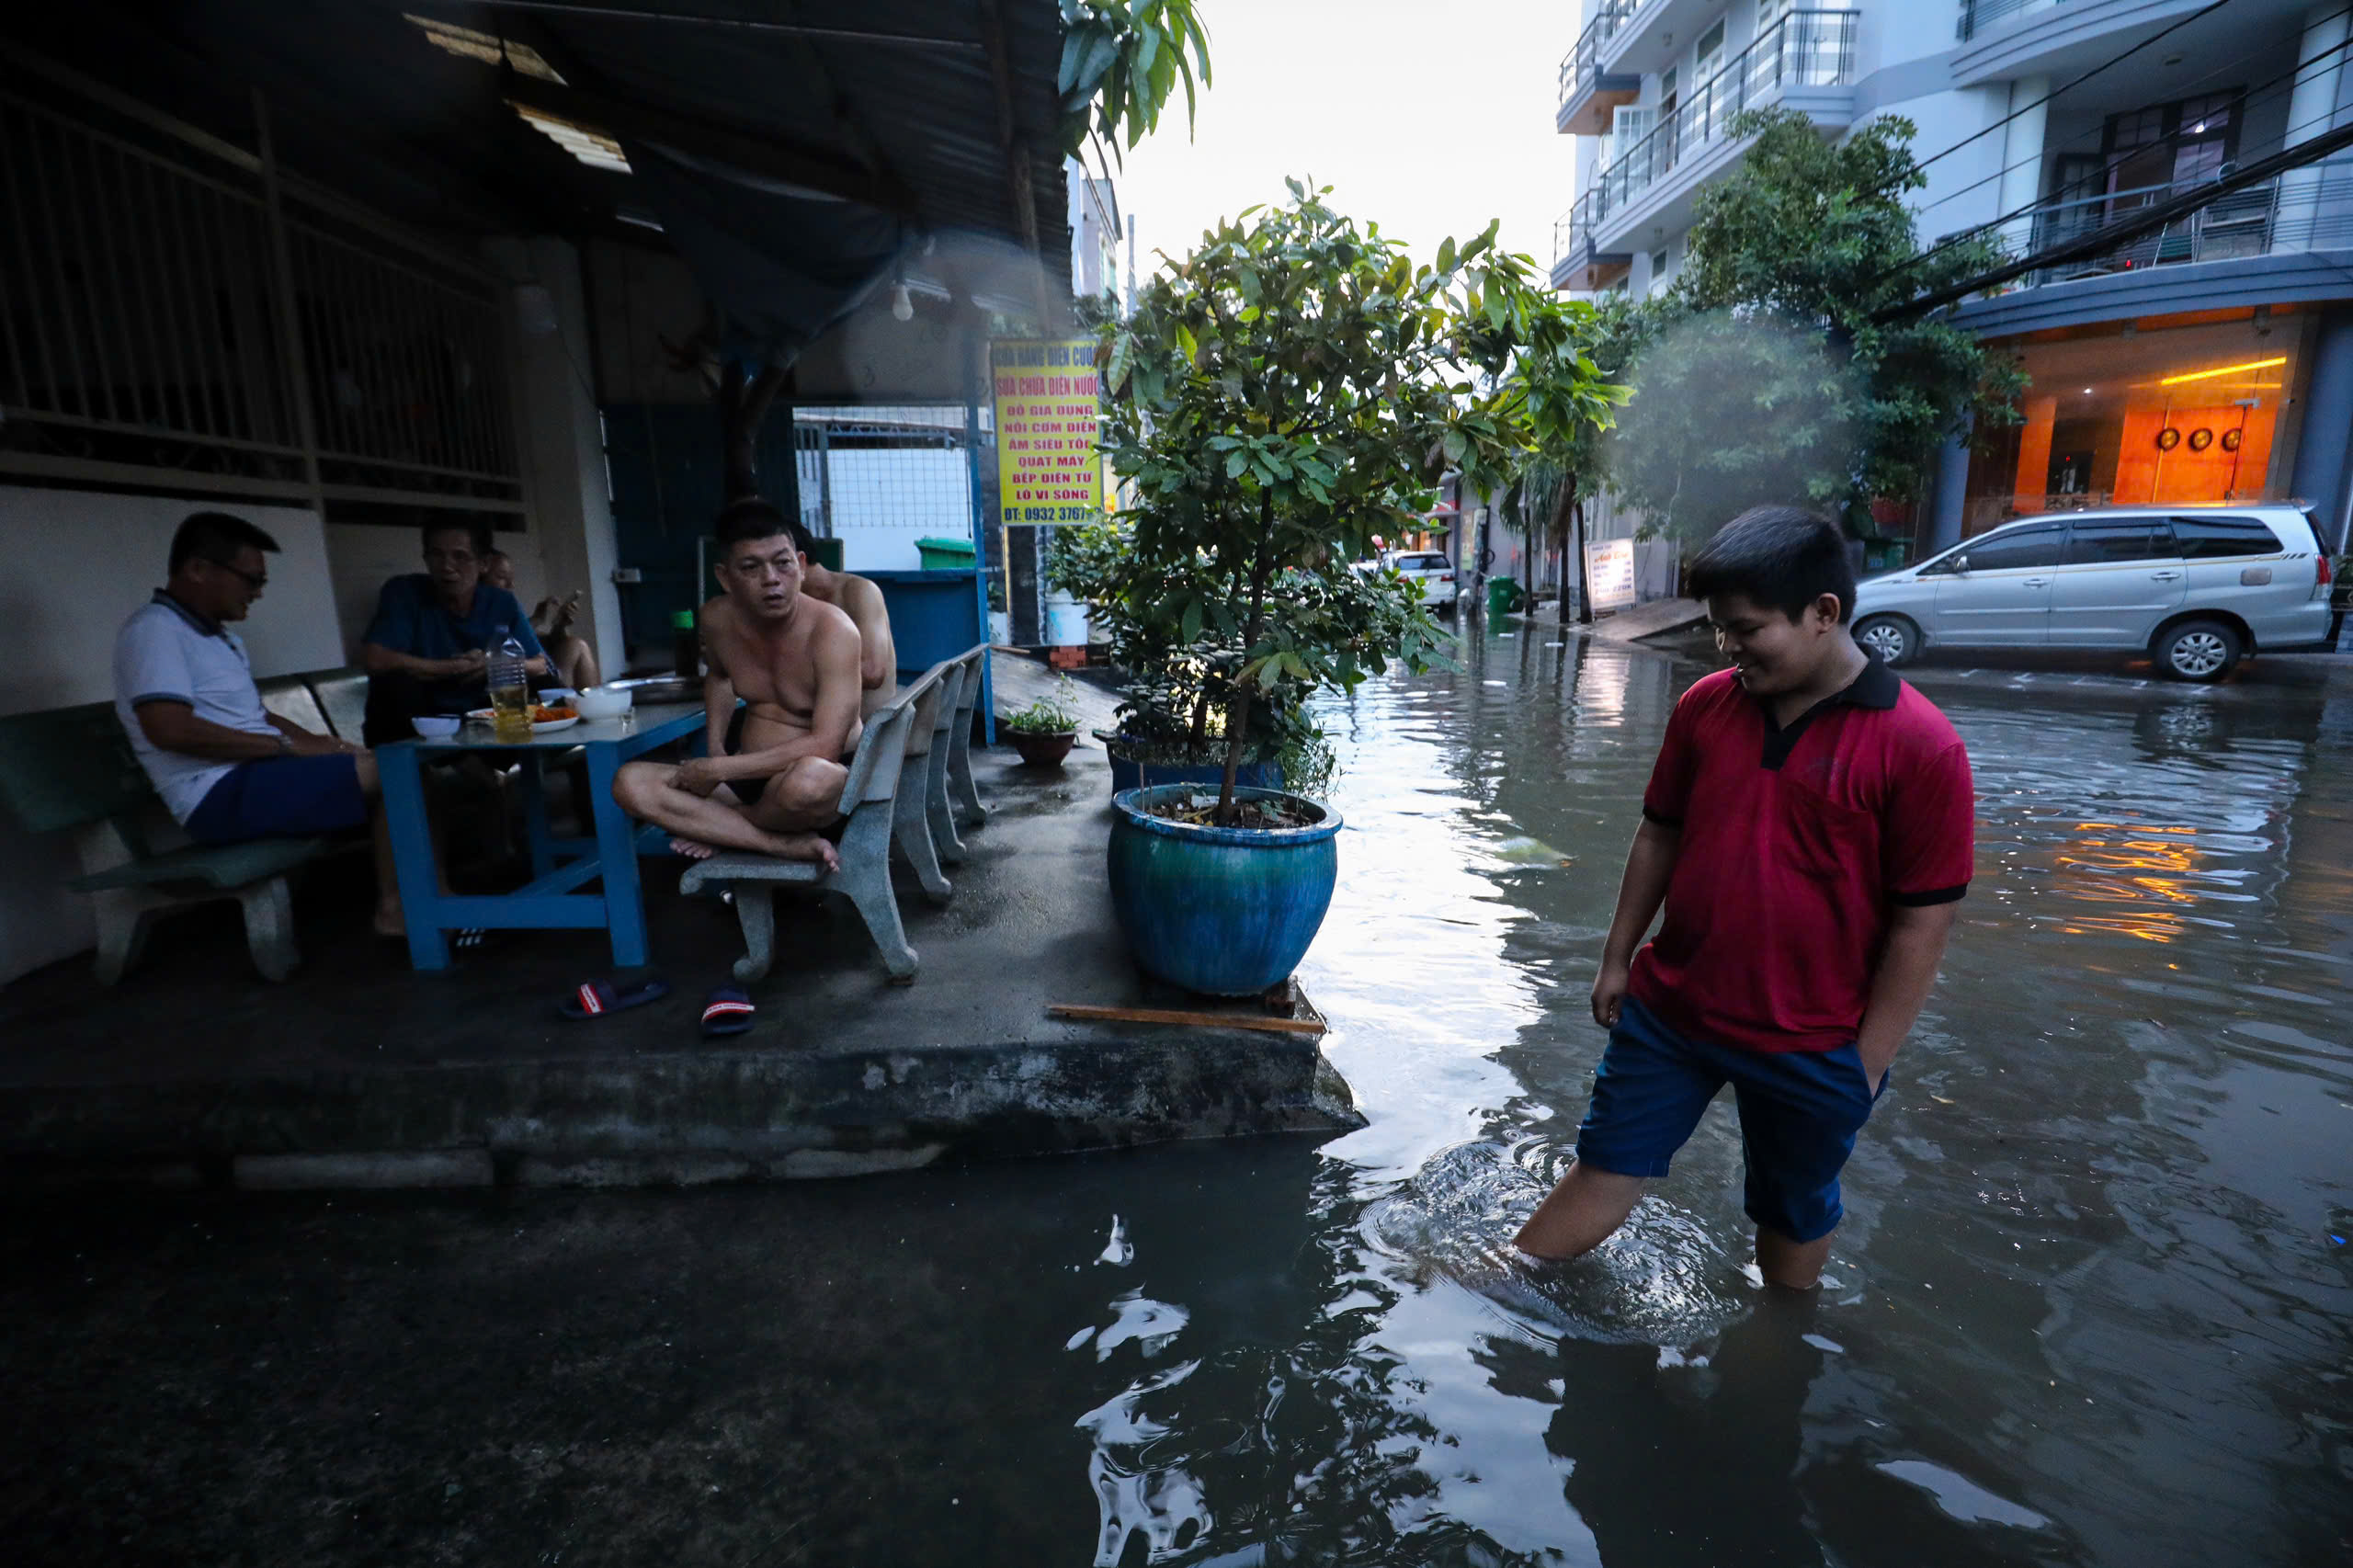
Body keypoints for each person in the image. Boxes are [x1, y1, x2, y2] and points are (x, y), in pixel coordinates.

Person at [1514, 506, 1975, 1290]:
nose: (1727, 646)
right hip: (1673, 1012)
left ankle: (1779, 1353)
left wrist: (1864, 1068)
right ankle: (1487, 1290)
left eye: (1748, 629)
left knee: (1791, 1213)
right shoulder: (1707, 708)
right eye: (1720, 627)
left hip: (1813, 1041)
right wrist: (1617, 959)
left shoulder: (1921, 748)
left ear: (1823, 615)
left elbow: (1920, 926)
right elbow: (1659, 833)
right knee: (1604, 1166)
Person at [112, 510, 407, 937]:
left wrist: (320, 742)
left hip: (256, 777)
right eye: (252, 580)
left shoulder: (219, 636)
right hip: (214, 794)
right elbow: (168, 730)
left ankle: (425, 898)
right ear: (198, 568)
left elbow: (255, 714)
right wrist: (289, 749)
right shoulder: (154, 632)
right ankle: (398, 910)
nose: (258, 593)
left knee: (399, 763)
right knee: (395, 771)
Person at [611, 499, 859, 868]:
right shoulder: (716, 619)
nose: (772, 579)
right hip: (745, 779)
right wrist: (715, 750)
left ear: (802, 566)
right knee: (628, 782)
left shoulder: (833, 630)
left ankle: (727, 831)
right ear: (725, 578)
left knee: (811, 781)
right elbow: (720, 676)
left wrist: (720, 771)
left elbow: (825, 745)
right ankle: (779, 844)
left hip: (814, 780)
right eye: (751, 567)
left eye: (783, 563)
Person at [358, 520, 547, 744]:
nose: (447, 566)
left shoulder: (501, 602)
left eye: (460, 556)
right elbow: (375, 659)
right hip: (421, 716)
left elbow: (540, 664)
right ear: (425, 559)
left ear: (484, 563)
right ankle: (472, 771)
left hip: (481, 710)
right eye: (436, 555)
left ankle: (585, 767)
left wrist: (493, 664)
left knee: (550, 687)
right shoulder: (405, 592)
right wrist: (450, 668)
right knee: (392, 686)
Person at [774, 509, 897, 714]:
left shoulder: (860, 591)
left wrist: (783, 676)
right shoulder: (787, 605)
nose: (766, 577)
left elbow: (872, 672)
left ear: (796, 561)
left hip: (867, 729)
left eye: (773, 563)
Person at [482, 548, 602, 692]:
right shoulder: (487, 611)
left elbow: (543, 640)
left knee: (573, 643)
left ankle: (590, 706)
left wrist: (559, 625)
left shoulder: (506, 608)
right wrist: (537, 620)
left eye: (512, 580)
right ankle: (592, 706)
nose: (511, 585)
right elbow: (502, 645)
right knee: (578, 646)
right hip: (533, 680)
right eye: (502, 577)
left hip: (543, 673)